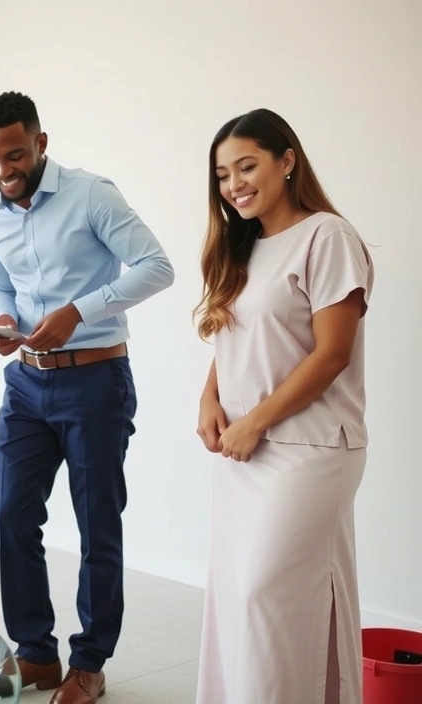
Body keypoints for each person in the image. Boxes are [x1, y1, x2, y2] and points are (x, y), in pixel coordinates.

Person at [0, 91, 174, 704]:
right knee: (11, 515)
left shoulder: (92, 195)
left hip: (94, 383)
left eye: (14, 154)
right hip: (26, 383)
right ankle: (35, 653)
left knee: (96, 525)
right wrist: (2, 317)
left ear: (40, 143)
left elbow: (156, 265)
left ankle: (89, 663)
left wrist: (78, 312)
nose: (3, 170)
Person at [193, 108, 374, 704]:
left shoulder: (328, 237)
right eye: (223, 175)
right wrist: (210, 397)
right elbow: (239, 336)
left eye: (247, 166)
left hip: (310, 448)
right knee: (240, 600)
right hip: (244, 450)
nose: (234, 184)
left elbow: (331, 355)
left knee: (262, 594)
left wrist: (254, 421)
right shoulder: (244, 247)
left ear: (287, 160)